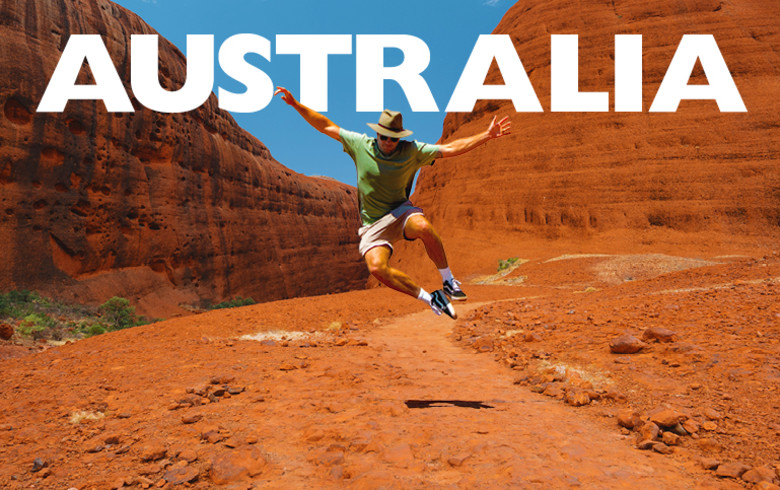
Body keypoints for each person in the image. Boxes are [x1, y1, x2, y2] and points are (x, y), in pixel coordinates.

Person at [274, 87, 511, 319]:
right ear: (377, 134)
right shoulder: (360, 145)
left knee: (423, 227)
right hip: (372, 223)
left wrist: (486, 136)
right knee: (377, 268)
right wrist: (296, 105)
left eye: (393, 138)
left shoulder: (412, 151)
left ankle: (448, 280)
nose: (387, 142)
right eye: (383, 136)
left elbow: (448, 148)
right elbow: (326, 126)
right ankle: (431, 299)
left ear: (400, 138)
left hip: (400, 212)